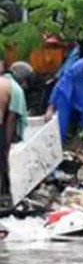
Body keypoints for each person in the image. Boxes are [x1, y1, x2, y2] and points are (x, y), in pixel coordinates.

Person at [0, 61, 32, 208]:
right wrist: (7, 146)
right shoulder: (16, 90)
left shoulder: (3, 80)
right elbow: (11, 120)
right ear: (23, 79)